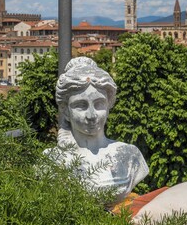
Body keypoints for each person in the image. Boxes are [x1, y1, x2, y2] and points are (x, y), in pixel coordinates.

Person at [47, 57, 148, 204]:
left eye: (99, 104)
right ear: (66, 110)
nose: (92, 115)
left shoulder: (130, 155)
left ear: (108, 106)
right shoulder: (52, 161)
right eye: (81, 105)